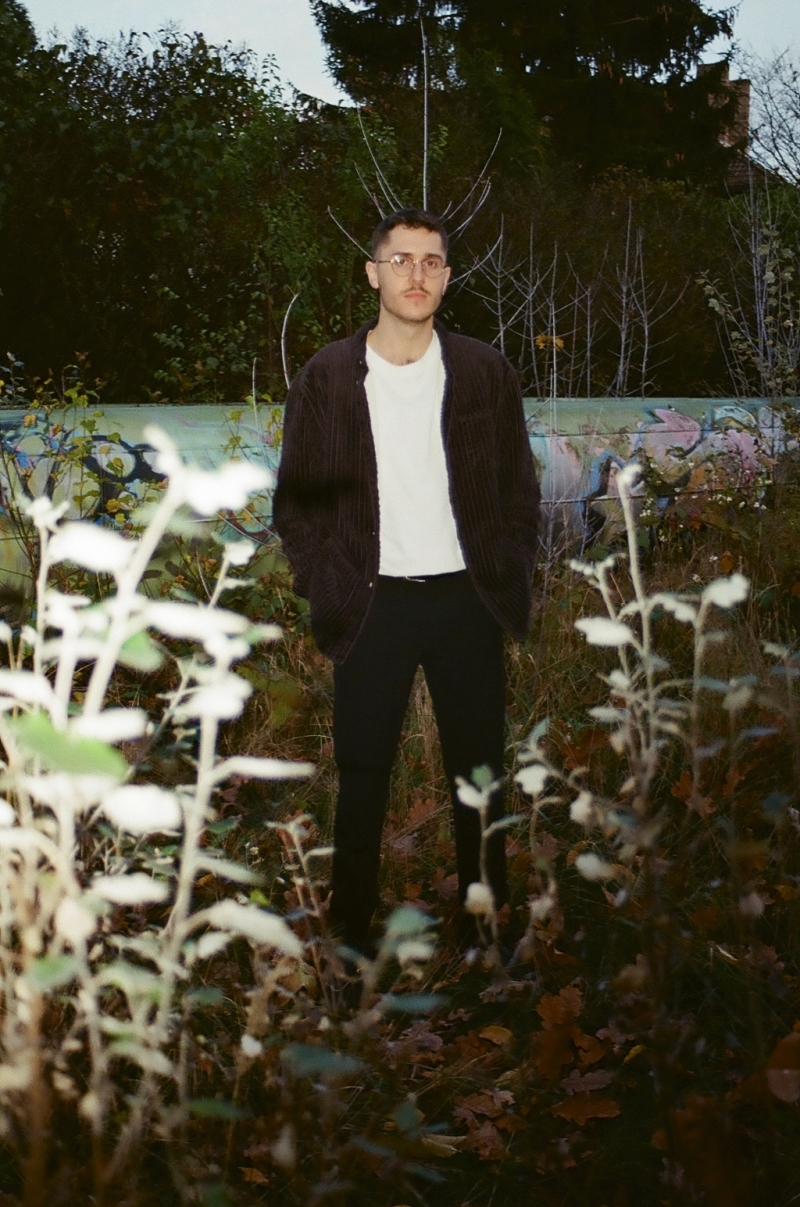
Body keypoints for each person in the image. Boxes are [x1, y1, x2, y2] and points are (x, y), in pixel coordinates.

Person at [273, 207, 540, 954]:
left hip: (466, 597)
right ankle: (350, 937)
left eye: (430, 262)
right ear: (373, 273)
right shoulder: (329, 375)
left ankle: (486, 931)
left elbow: (519, 490)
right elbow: (296, 503)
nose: (415, 275)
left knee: (479, 773)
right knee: (363, 770)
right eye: (401, 260)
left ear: (447, 277)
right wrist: (324, 581)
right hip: (371, 600)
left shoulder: (484, 372)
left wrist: (509, 567)